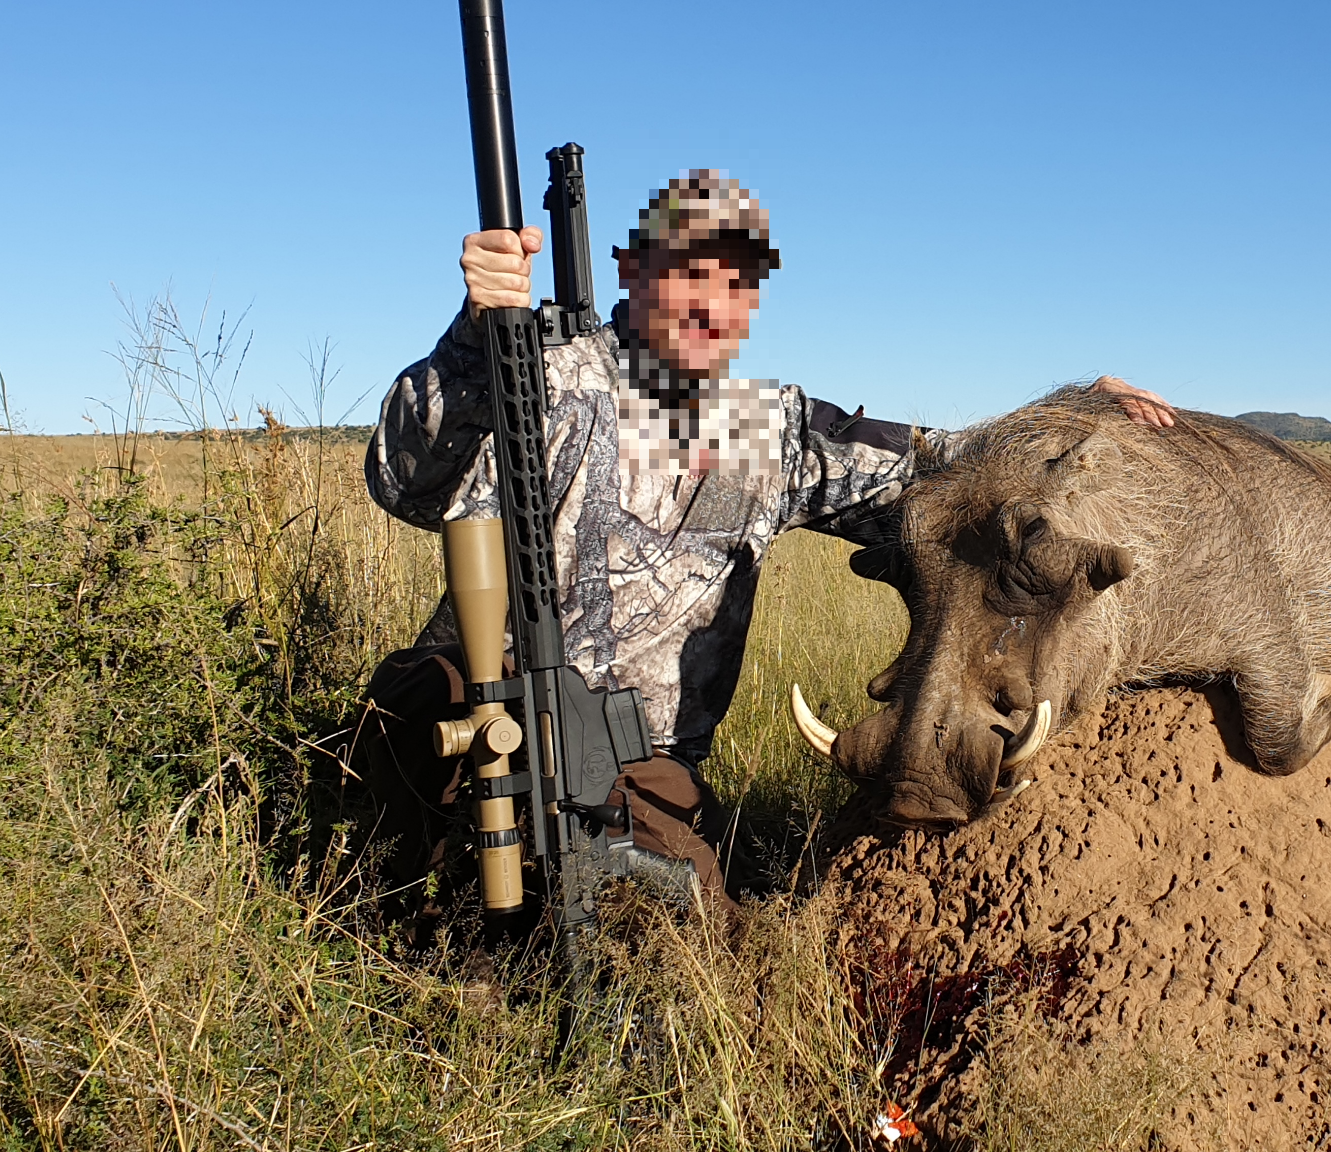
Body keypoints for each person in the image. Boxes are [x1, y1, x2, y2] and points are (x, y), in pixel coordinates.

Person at [359, 170, 1172, 915]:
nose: (712, 303)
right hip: (482, 712)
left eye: (737, 282)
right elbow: (406, 480)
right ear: (630, 268)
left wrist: (1069, 414)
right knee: (401, 743)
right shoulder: (537, 367)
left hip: (635, 766)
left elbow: (941, 470)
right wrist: (473, 337)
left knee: (669, 929)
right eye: (688, 269)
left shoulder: (768, 432)